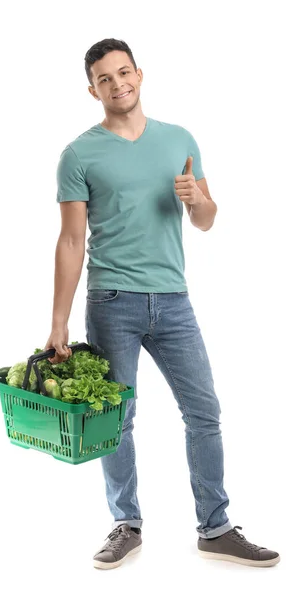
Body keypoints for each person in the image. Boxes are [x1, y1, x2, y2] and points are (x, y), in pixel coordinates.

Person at [44, 38, 280, 570]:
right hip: (113, 301)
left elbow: (206, 219)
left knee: (204, 413)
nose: (117, 83)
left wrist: (198, 200)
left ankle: (215, 527)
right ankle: (126, 523)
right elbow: (71, 241)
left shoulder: (179, 139)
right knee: (115, 418)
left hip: (174, 301)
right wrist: (58, 321)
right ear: (92, 90)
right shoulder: (79, 154)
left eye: (123, 72)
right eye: (105, 78)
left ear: (140, 74)